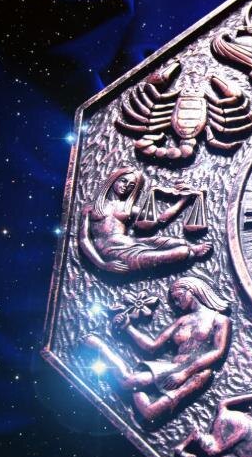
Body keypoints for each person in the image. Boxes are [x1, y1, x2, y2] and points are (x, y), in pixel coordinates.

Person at [83, 277, 231, 421]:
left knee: (149, 413)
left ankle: (133, 383)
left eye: (178, 297)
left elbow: (217, 352)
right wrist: (128, 327)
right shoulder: (183, 320)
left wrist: (185, 373)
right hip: (172, 367)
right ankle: (100, 347)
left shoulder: (220, 320)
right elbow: (152, 346)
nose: (177, 303)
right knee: (127, 381)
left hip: (197, 373)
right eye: (174, 300)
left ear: (191, 290)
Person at [78, 167, 211, 274]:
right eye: (123, 181)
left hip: (132, 243)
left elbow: (160, 220)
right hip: (114, 253)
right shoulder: (91, 208)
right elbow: (84, 239)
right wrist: (102, 264)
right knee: (183, 252)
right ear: (113, 179)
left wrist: (183, 200)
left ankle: (191, 249)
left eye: (131, 185)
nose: (126, 186)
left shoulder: (127, 208)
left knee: (179, 242)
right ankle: (190, 251)